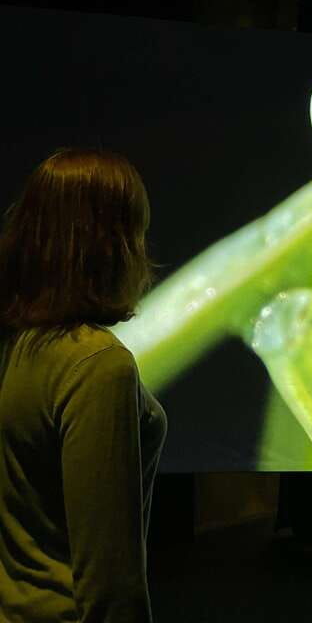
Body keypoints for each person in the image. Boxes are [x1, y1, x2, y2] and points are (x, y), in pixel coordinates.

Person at [0, 147, 168, 623]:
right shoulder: (98, 366)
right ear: (110, 245)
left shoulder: (20, 344)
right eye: (135, 230)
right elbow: (110, 582)